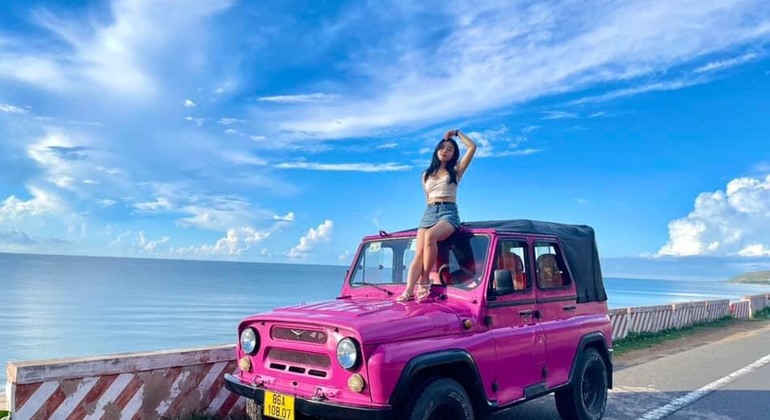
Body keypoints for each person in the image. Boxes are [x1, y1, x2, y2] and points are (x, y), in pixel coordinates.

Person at [398, 129, 477, 302]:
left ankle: (425, 279)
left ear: (454, 154)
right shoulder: (425, 174)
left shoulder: (456, 170)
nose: (445, 151)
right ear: (436, 151)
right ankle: (408, 290)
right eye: (442, 148)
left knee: (430, 236)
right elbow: (427, 199)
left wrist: (457, 133)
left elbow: (472, 147)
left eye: (450, 149)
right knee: (418, 253)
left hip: (448, 212)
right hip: (429, 212)